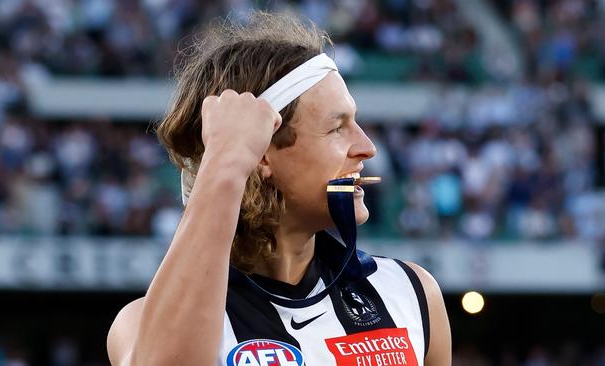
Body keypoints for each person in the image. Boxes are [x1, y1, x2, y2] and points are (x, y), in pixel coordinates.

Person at [107, 12, 451, 366]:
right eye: (337, 128)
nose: (367, 147)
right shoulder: (139, 323)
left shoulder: (410, 291)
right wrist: (226, 162)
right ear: (261, 155)